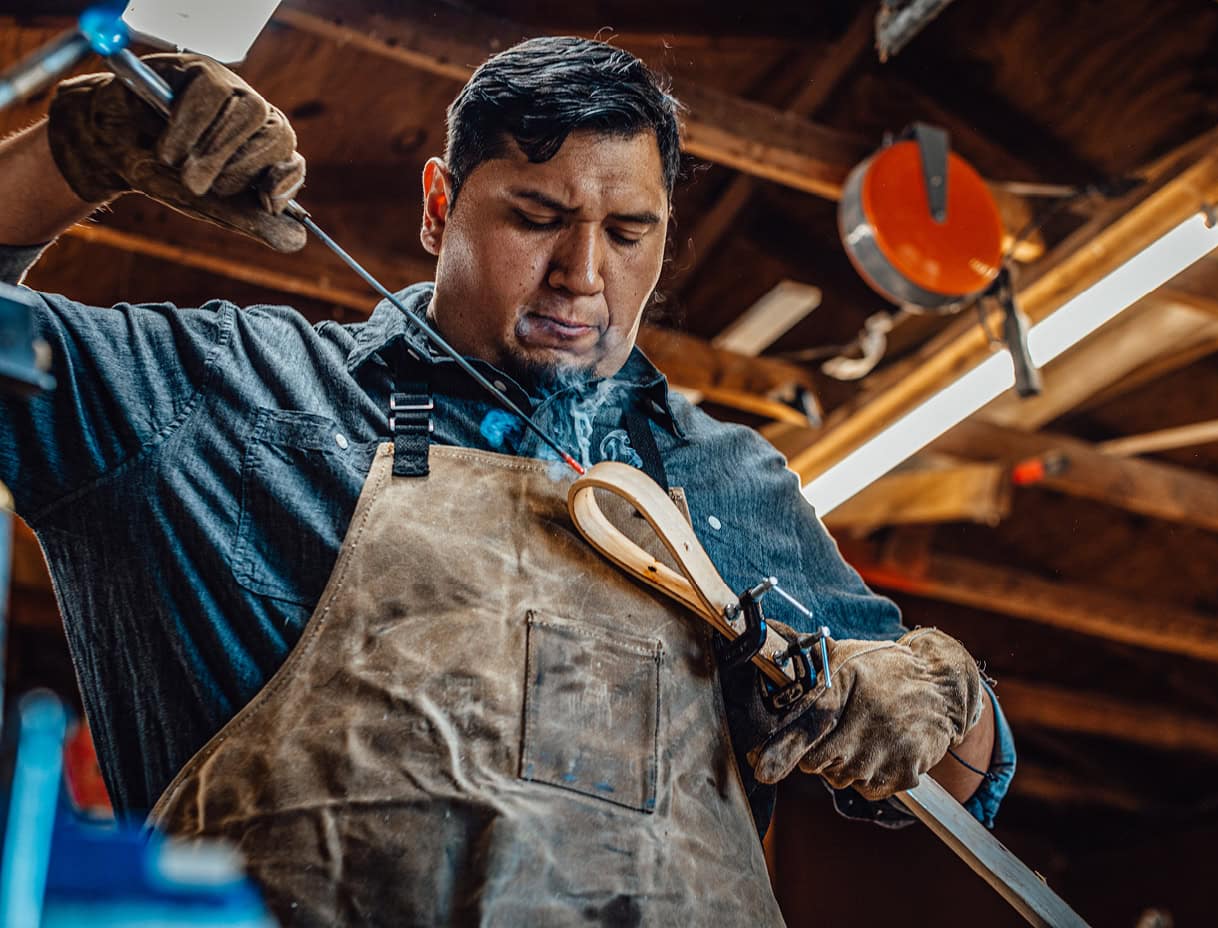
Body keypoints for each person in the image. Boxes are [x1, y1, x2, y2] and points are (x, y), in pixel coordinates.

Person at [0, 36, 1014, 925]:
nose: (584, 273)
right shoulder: (228, 397)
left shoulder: (726, 475)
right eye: (537, 217)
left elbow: (956, 781)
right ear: (439, 207)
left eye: (630, 233)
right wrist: (68, 160)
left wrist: (940, 688)